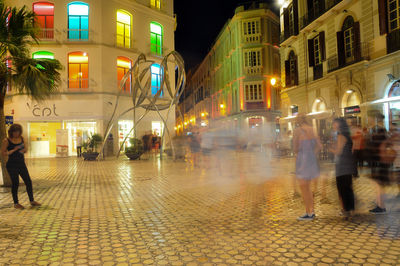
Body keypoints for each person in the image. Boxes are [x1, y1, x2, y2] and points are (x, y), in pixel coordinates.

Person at [1, 124, 41, 209]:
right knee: (15, 183)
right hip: (11, 165)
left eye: (18, 132)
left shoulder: (22, 138)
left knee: (28, 181)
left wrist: (24, 150)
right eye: (14, 132)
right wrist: (12, 151)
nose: (16, 134)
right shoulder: (7, 140)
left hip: (21, 164)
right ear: (11, 132)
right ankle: (16, 203)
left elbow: (25, 149)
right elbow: (3, 153)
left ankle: (32, 200)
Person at [293, 115, 322, 220]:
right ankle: (312, 211)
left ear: (298, 121)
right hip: (311, 160)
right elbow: (319, 146)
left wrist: (301, 153)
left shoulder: (297, 131)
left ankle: (307, 212)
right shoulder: (313, 130)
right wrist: (312, 154)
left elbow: (295, 148)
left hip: (302, 160)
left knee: (303, 188)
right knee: (308, 187)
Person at [330, 118, 357, 217]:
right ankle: (350, 209)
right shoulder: (347, 136)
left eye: (334, 123)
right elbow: (352, 149)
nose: (333, 125)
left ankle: (346, 210)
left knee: (342, 188)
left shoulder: (341, 136)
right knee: (348, 188)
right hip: (348, 165)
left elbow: (338, 152)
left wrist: (330, 149)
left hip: (342, 166)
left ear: (339, 125)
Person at [366, 112, 390, 214]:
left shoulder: (380, 130)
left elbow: (379, 145)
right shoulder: (379, 129)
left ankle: (381, 206)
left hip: (380, 160)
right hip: (379, 160)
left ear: (375, 119)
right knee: (378, 184)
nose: (368, 120)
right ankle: (379, 204)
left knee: (379, 184)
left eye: (370, 118)